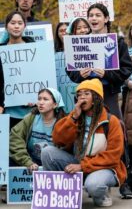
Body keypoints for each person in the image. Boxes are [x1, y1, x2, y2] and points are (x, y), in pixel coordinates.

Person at [41, 79, 127, 207]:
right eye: (79, 94)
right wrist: (73, 118)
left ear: (96, 98)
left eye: (86, 94)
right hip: (79, 161)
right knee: (47, 152)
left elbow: (113, 156)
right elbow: (57, 139)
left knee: (94, 185)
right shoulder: (76, 116)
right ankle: (62, 195)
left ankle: (101, 195)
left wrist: (83, 166)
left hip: (104, 167)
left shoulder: (111, 121)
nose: (81, 97)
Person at [66, 3, 132, 119]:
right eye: (91, 15)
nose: (94, 18)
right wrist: (79, 74)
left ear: (106, 19)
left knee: (113, 128)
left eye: (98, 15)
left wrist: (106, 74)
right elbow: (70, 71)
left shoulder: (117, 42)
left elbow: (127, 69)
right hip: (86, 94)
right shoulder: (79, 42)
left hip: (109, 94)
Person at [9, 88, 65, 170]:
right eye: (39, 99)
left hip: (53, 163)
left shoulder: (63, 122)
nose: (41, 102)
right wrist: (27, 162)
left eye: (45, 99)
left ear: (55, 104)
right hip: (31, 160)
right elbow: (15, 138)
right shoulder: (31, 118)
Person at [0, 11, 35, 129]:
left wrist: (36, 98)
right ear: (6, 26)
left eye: (20, 23)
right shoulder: (1, 51)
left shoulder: (35, 48)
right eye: (13, 23)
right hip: (6, 112)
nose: (16, 26)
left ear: (24, 26)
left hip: (30, 112)